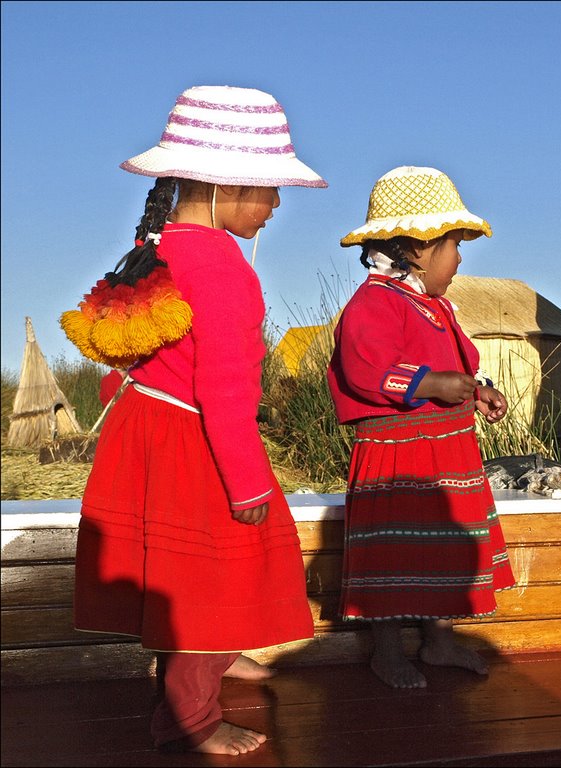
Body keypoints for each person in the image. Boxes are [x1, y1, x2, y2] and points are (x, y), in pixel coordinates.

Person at [61, 85, 327, 754]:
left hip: (146, 433)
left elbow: (125, 358)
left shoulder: (157, 247)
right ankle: (190, 716)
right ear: (225, 184)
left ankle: (216, 648)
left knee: (181, 573)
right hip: (197, 442)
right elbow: (225, 388)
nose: (274, 206)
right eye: (268, 189)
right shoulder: (223, 270)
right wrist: (248, 485)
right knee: (224, 573)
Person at [327, 165, 516, 689]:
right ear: (418, 248)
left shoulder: (434, 306)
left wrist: (477, 392)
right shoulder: (375, 303)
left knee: (443, 549)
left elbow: (457, 364)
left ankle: (439, 641)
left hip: (444, 451)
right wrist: (432, 385)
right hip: (397, 456)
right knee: (396, 552)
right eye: (454, 245)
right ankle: (386, 651)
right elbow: (366, 365)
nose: (459, 258)